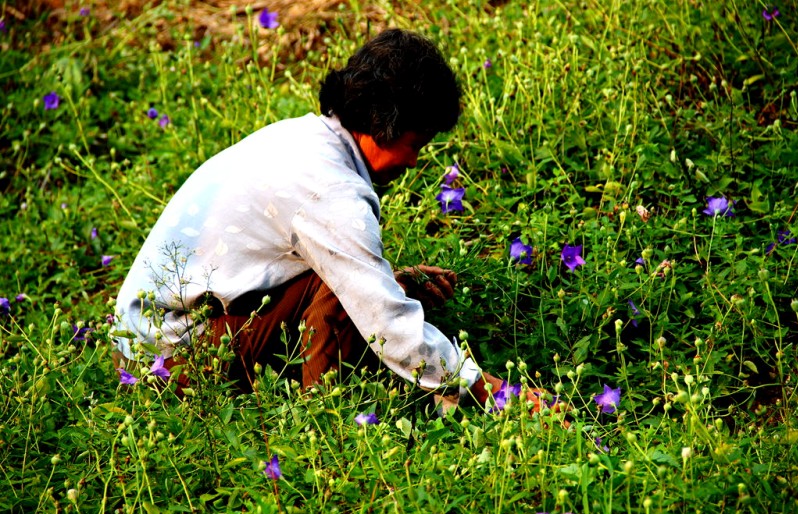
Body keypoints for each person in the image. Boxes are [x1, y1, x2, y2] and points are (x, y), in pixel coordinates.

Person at [113, 29, 545, 412]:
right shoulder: (332, 190)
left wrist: (390, 283)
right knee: (346, 289)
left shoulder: (302, 137)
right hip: (168, 363)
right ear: (383, 124)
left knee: (357, 282)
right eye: (415, 144)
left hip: (143, 346)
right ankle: (325, 422)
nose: (413, 162)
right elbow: (384, 320)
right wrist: (490, 390)